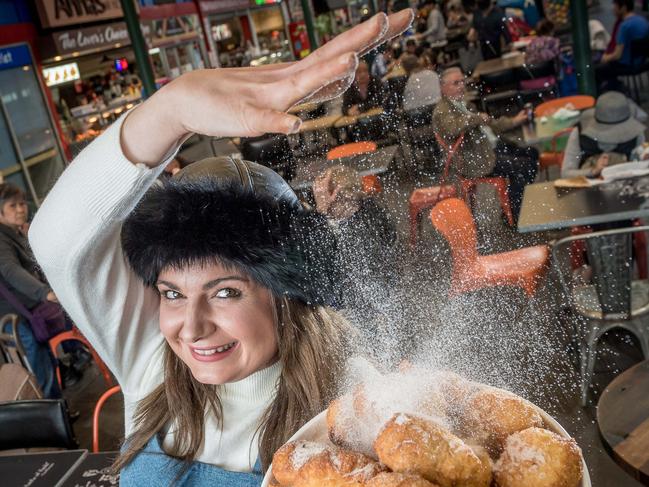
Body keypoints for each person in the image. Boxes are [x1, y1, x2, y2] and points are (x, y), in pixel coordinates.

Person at [28, 11, 413, 485]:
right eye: (172, 293)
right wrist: (171, 112)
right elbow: (56, 241)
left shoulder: (352, 394)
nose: (191, 328)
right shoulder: (152, 358)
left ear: (286, 293)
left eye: (226, 292)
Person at [432, 67, 538, 220]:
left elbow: (492, 123)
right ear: (443, 88)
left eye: (462, 81)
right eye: (456, 83)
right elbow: (452, 128)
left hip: (490, 149)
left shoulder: (463, 104)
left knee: (532, 153)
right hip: (475, 160)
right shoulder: (442, 110)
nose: (462, 86)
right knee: (524, 167)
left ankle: (513, 203)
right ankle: (515, 216)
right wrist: (477, 118)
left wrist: (514, 120)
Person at [0, 184, 61, 398]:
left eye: (22, 203)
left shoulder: (13, 233)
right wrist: (44, 292)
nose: (20, 209)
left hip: (27, 312)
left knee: (46, 364)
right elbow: (11, 270)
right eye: (12, 205)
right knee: (40, 369)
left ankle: (58, 413)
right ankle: (51, 421)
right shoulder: (1, 238)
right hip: (18, 316)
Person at [561, 91, 647, 179]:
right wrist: (593, 171)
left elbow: (639, 162)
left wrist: (644, 160)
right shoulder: (580, 133)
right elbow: (566, 173)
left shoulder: (635, 132)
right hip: (588, 189)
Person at [595, 0, 649, 93]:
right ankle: (615, 85)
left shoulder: (624, 26)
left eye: (615, 6)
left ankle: (609, 92)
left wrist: (605, 58)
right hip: (643, 61)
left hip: (627, 65)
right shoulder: (643, 20)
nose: (613, 9)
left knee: (597, 69)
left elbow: (617, 55)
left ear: (623, 7)